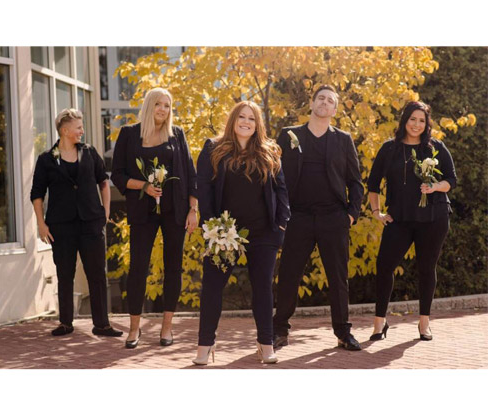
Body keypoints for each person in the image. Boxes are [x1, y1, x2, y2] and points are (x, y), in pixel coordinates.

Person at [193, 101, 290, 365]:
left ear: (258, 124)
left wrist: (281, 225)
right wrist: (213, 227)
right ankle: (205, 344)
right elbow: (204, 190)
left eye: (251, 118)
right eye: (241, 117)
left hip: (263, 231)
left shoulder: (270, 151)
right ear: (233, 120)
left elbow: (281, 190)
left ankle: (265, 343)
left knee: (263, 288)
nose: (246, 122)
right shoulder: (213, 149)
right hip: (225, 232)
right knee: (212, 287)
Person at [273, 85, 364, 351]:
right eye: (320, 98)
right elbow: (273, 175)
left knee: (338, 278)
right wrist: (279, 213)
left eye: (330, 101)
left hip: (333, 217)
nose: (325, 103)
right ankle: (279, 330)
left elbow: (355, 181)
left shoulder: (343, 139)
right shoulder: (289, 135)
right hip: (297, 217)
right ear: (312, 104)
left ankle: (343, 332)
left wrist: (351, 214)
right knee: (288, 276)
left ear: (334, 110)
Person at [111, 88, 197, 349]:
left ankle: (167, 327)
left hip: (175, 211)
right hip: (142, 212)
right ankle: (134, 329)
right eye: (158, 104)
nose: (163, 109)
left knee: (173, 268)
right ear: (149, 106)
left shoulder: (177, 134)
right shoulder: (129, 134)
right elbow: (117, 175)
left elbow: (190, 174)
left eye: (167, 105)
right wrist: (144, 186)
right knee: (138, 268)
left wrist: (193, 209)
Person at [367, 101, 456, 341]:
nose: (416, 124)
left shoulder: (435, 147)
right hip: (399, 218)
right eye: (412, 119)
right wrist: (377, 212)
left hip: (434, 217)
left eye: (421, 120)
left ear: (427, 124)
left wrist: (435, 186)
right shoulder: (389, 149)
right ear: (404, 120)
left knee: (426, 268)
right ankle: (379, 322)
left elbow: (451, 180)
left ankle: (424, 323)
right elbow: (373, 184)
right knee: (384, 266)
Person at [31, 109, 122, 338]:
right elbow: (37, 194)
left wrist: (105, 212)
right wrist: (41, 225)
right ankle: (65, 323)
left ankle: (102, 324)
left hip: (91, 222)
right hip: (61, 226)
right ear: (65, 130)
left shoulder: (89, 152)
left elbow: (103, 181)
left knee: (97, 273)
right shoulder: (47, 159)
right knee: (65, 273)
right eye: (78, 127)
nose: (82, 131)